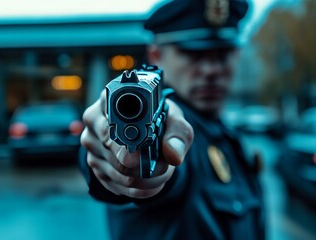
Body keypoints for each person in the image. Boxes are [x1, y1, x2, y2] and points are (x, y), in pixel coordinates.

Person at [79, 0, 265, 239]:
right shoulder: (167, 121)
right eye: (193, 54)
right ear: (156, 56)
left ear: (236, 55)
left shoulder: (226, 135)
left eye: (222, 54)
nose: (211, 70)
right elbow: (161, 171)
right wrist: (117, 152)